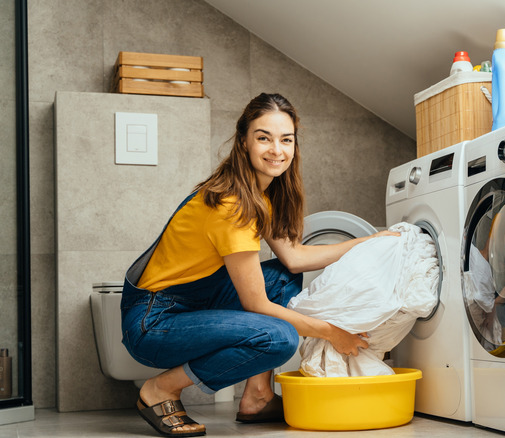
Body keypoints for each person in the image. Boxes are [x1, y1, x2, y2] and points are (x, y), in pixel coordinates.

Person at [121, 93, 397, 437]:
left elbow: (294, 259)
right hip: (154, 320)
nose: (276, 150)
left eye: (286, 139)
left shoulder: (259, 192)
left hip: (191, 302)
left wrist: (367, 242)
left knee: (282, 278)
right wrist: (332, 333)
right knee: (278, 338)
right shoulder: (231, 204)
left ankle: (257, 395)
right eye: (263, 137)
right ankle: (162, 388)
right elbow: (256, 305)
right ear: (243, 142)